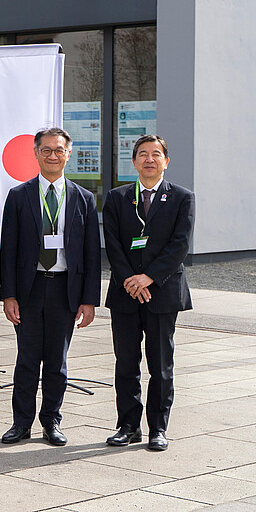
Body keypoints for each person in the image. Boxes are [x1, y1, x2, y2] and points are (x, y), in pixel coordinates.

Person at [0, 127, 101, 447]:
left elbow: (91, 253)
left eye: (59, 150)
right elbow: (9, 250)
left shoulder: (84, 199)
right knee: (27, 359)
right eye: (46, 150)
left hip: (64, 290)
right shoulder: (18, 196)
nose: (53, 155)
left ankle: (52, 421)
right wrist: (9, 295)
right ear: (36, 153)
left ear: (68, 154)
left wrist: (89, 300)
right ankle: (21, 423)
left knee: (57, 361)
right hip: (29, 291)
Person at [103, 135, 194, 451]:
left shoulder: (182, 198)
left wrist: (148, 278)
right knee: (126, 363)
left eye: (156, 154)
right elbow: (112, 244)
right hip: (125, 293)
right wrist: (130, 278)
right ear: (134, 161)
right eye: (143, 154)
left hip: (162, 292)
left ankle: (158, 428)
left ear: (166, 161)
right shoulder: (117, 198)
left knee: (160, 364)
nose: (149, 159)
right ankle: (128, 426)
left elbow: (179, 245)